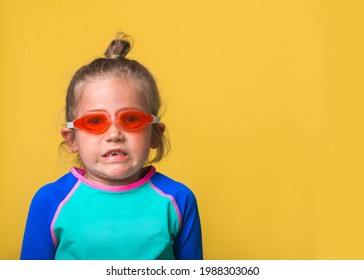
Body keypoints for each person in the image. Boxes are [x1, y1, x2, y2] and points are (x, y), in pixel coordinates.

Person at [20, 33, 203, 260]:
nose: (114, 134)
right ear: (72, 139)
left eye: (131, 119)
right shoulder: (50, 201)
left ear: (155, 134)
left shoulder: (178, 200)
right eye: (95, 121)